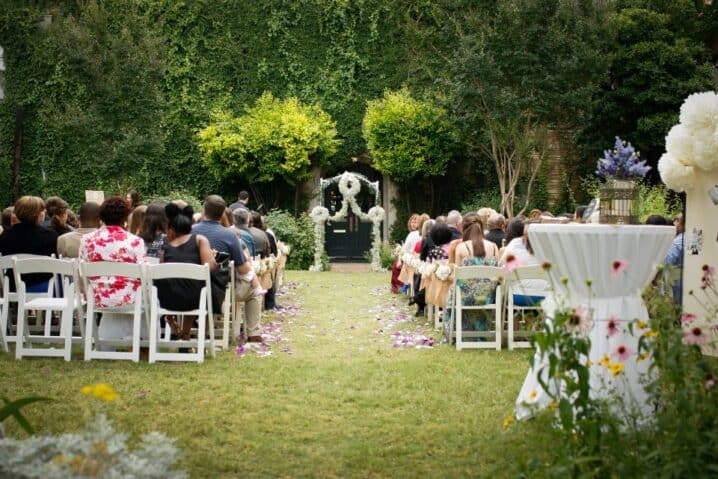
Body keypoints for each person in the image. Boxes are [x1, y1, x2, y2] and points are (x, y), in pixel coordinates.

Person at [193, 195, 263, 342]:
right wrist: (254, 278)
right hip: (221, 290)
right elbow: (242, 268)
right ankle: (253, 332)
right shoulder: (229, 235)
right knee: (255, 292)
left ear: (204, 210)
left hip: (190, 286)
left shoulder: (190, 231)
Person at [79, 196, 146, 342]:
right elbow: (144, 275)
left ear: (101, 216)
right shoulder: (135, 241)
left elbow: (81, 271)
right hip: (129, 299)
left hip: (96, 298)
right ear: (126, 217)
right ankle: (142, 341)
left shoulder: (87, 240)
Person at [156, 203, 219, 341]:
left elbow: (160, 274)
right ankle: (187, 333)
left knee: (180, 285)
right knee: (200, 286)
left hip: (168, 301)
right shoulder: (199, 240)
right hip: (196, 299)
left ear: (171, 230)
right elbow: (210, 266)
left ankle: (176, 325)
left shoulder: (165, 248)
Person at [0, 196, 58, 292]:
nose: (44, 213)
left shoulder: (5, 236)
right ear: (38, 214)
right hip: (44, 286)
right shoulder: (50, 235)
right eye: (43, 210)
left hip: (12, 287)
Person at [665, 213, 684, 303]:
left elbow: (667, 261)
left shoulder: (677, 241)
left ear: (682, 223)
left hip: (677, 278)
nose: (674, 223)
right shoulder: (688, 236)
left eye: (676, 220)